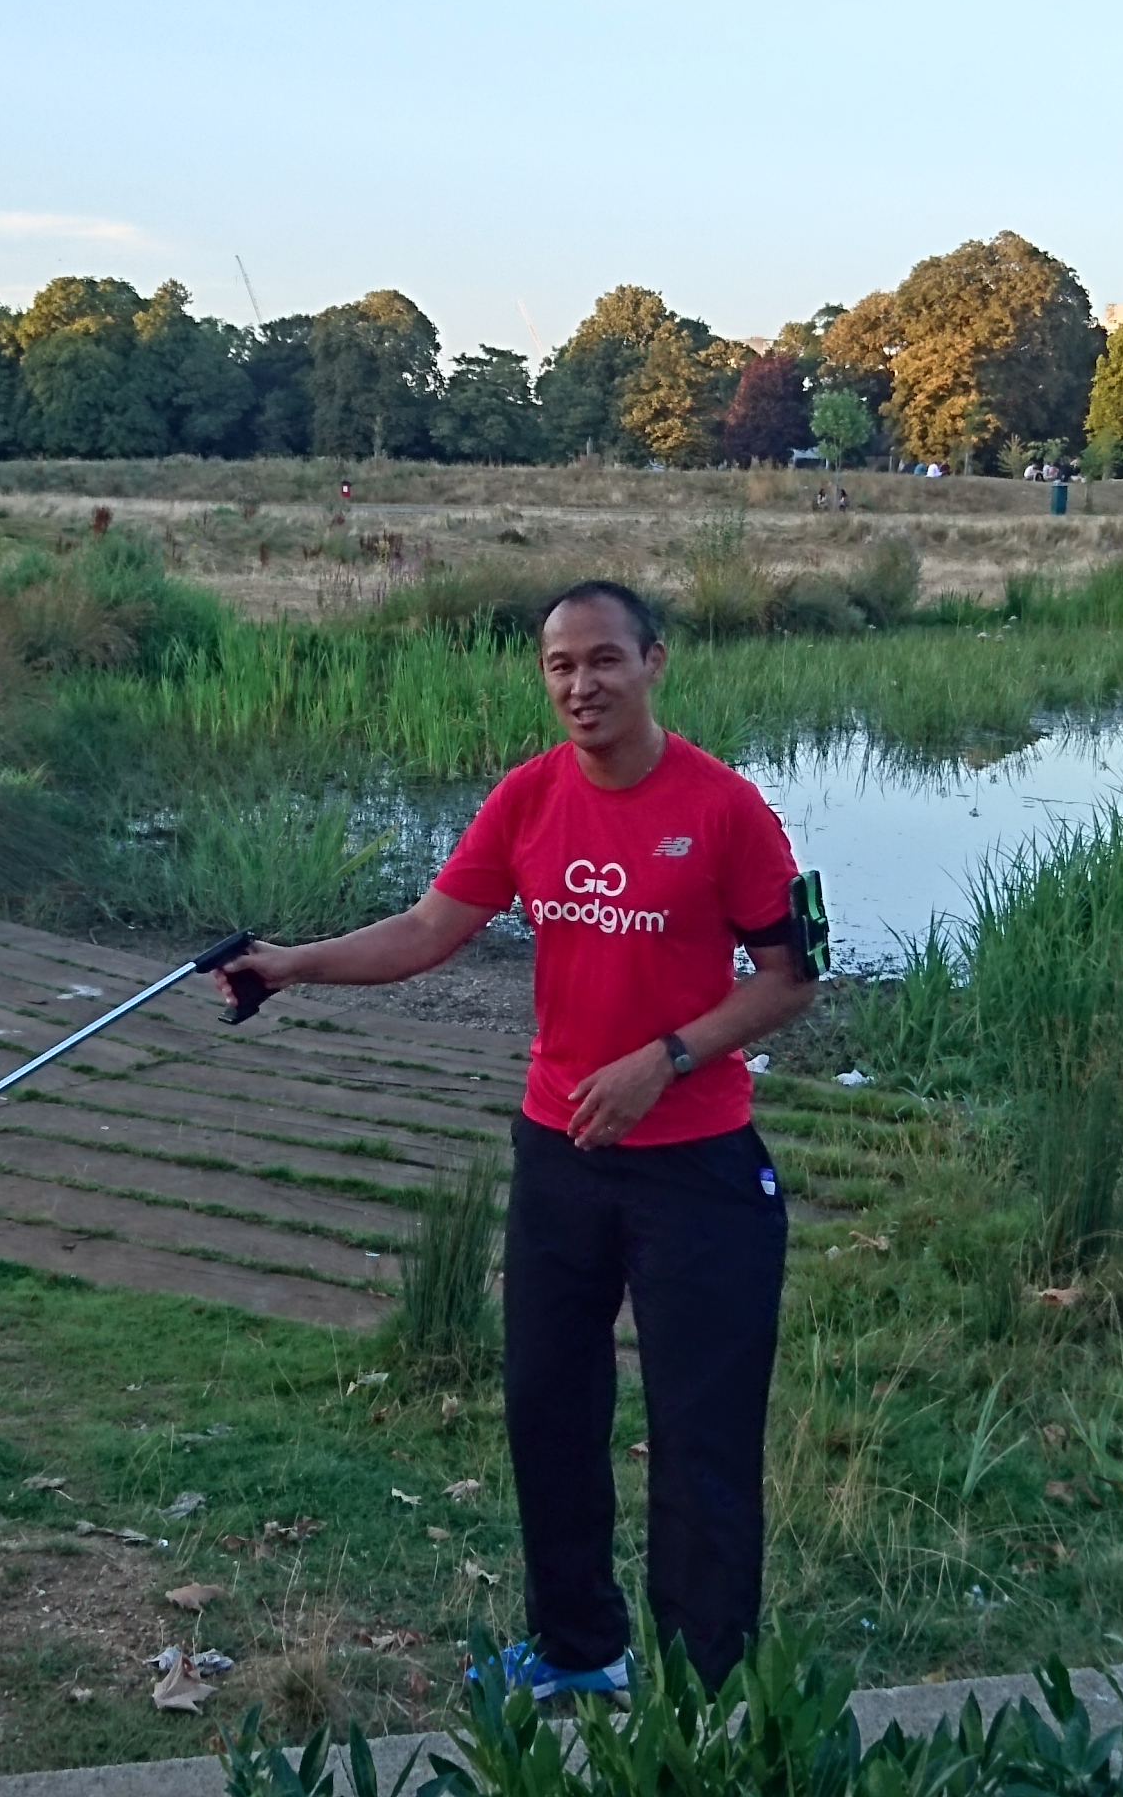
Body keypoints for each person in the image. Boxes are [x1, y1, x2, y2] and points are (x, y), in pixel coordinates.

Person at [218, 581, 816, 1696]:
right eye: (559, 666)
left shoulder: (728, 810)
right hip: (559, 1159)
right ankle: (578, 1651)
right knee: (549, 1409)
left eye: (603, 661)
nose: (580, 686)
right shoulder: (530, 798)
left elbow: (788, 981)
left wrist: (667, 1057)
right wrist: (289, 962)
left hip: (698, 1171)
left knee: (701, 1436)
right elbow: (429, 928)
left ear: (654, 664)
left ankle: (706, 1691)